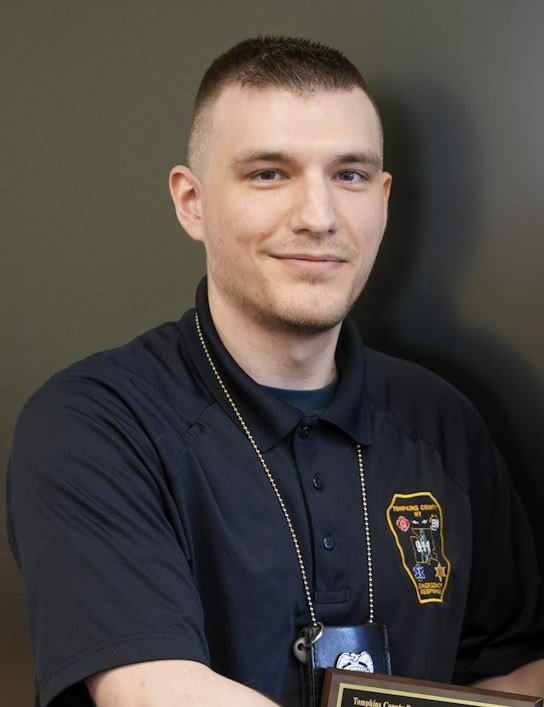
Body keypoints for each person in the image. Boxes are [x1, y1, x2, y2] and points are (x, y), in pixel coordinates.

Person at [7, 36, 544, 707]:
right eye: (269, 173)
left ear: (382, 200)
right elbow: (151, 691)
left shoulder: (443, 422)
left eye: (349, 175)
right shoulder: (95, 425)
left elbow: (517, 670)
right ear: (192, 201)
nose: (318, 217)